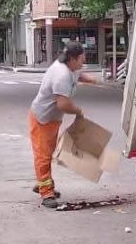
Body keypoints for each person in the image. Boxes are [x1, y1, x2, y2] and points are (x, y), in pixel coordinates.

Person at [29, 41, 94, 209]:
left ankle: (43, 182)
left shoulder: (70, 67)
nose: (83, 62)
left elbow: (78, 74)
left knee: (49, 152)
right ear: (72, 59)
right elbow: (63, 104)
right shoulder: (61, 75)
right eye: (81, 59)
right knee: (43, 155)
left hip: (52, 119)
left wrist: (92, 80)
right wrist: (79, 111)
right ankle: (46, 193)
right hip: (42, 118)